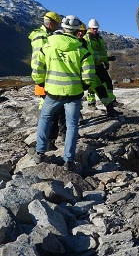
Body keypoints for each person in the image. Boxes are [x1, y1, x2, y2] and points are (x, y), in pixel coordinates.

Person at [31, 15, 95, 171]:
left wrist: (41, 82)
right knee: (72, 125)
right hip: (74, 94)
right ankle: (69, 161)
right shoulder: (82, 50)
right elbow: (89, 75)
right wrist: (84, 86)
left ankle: (40, 153)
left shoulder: (48, 45)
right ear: (77, 30)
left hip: (52, 93)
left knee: (45, 119)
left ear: (63, 28)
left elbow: (38, 68)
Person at [28, 11, 66, 146]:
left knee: (56, 109)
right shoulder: (41, 37)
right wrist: (41, 81)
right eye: (57, 24)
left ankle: (56, 136)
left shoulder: (47, 35)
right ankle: (47, 143)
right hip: (46, 80)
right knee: (49, 111)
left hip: (50, 79)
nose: (58, 27)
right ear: (50, 24)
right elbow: (38, 61)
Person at [77, 23, 122, 117]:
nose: (80, 34)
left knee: (101, 89)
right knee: (76, 95)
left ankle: (110, 109)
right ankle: (79, 115)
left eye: (82, 32)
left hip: (91, 69)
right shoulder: (78, 42)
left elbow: (93, 55)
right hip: (79, 72)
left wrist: (105, 60)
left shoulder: (86, 42)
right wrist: (105, 59)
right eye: (78, 31)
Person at [83, 19, 117, 107]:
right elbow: (92, 54)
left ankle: (111, 100)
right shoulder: (86, 39)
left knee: (108, 82)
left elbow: (103, 51)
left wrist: (106, 62)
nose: (95, 30)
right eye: (93, 28)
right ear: (89, 28)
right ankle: (91, 102)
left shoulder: (99, 38)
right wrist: (105, 59)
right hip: (91, 64)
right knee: (92, 83)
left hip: (99, 63)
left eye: (96, 28)